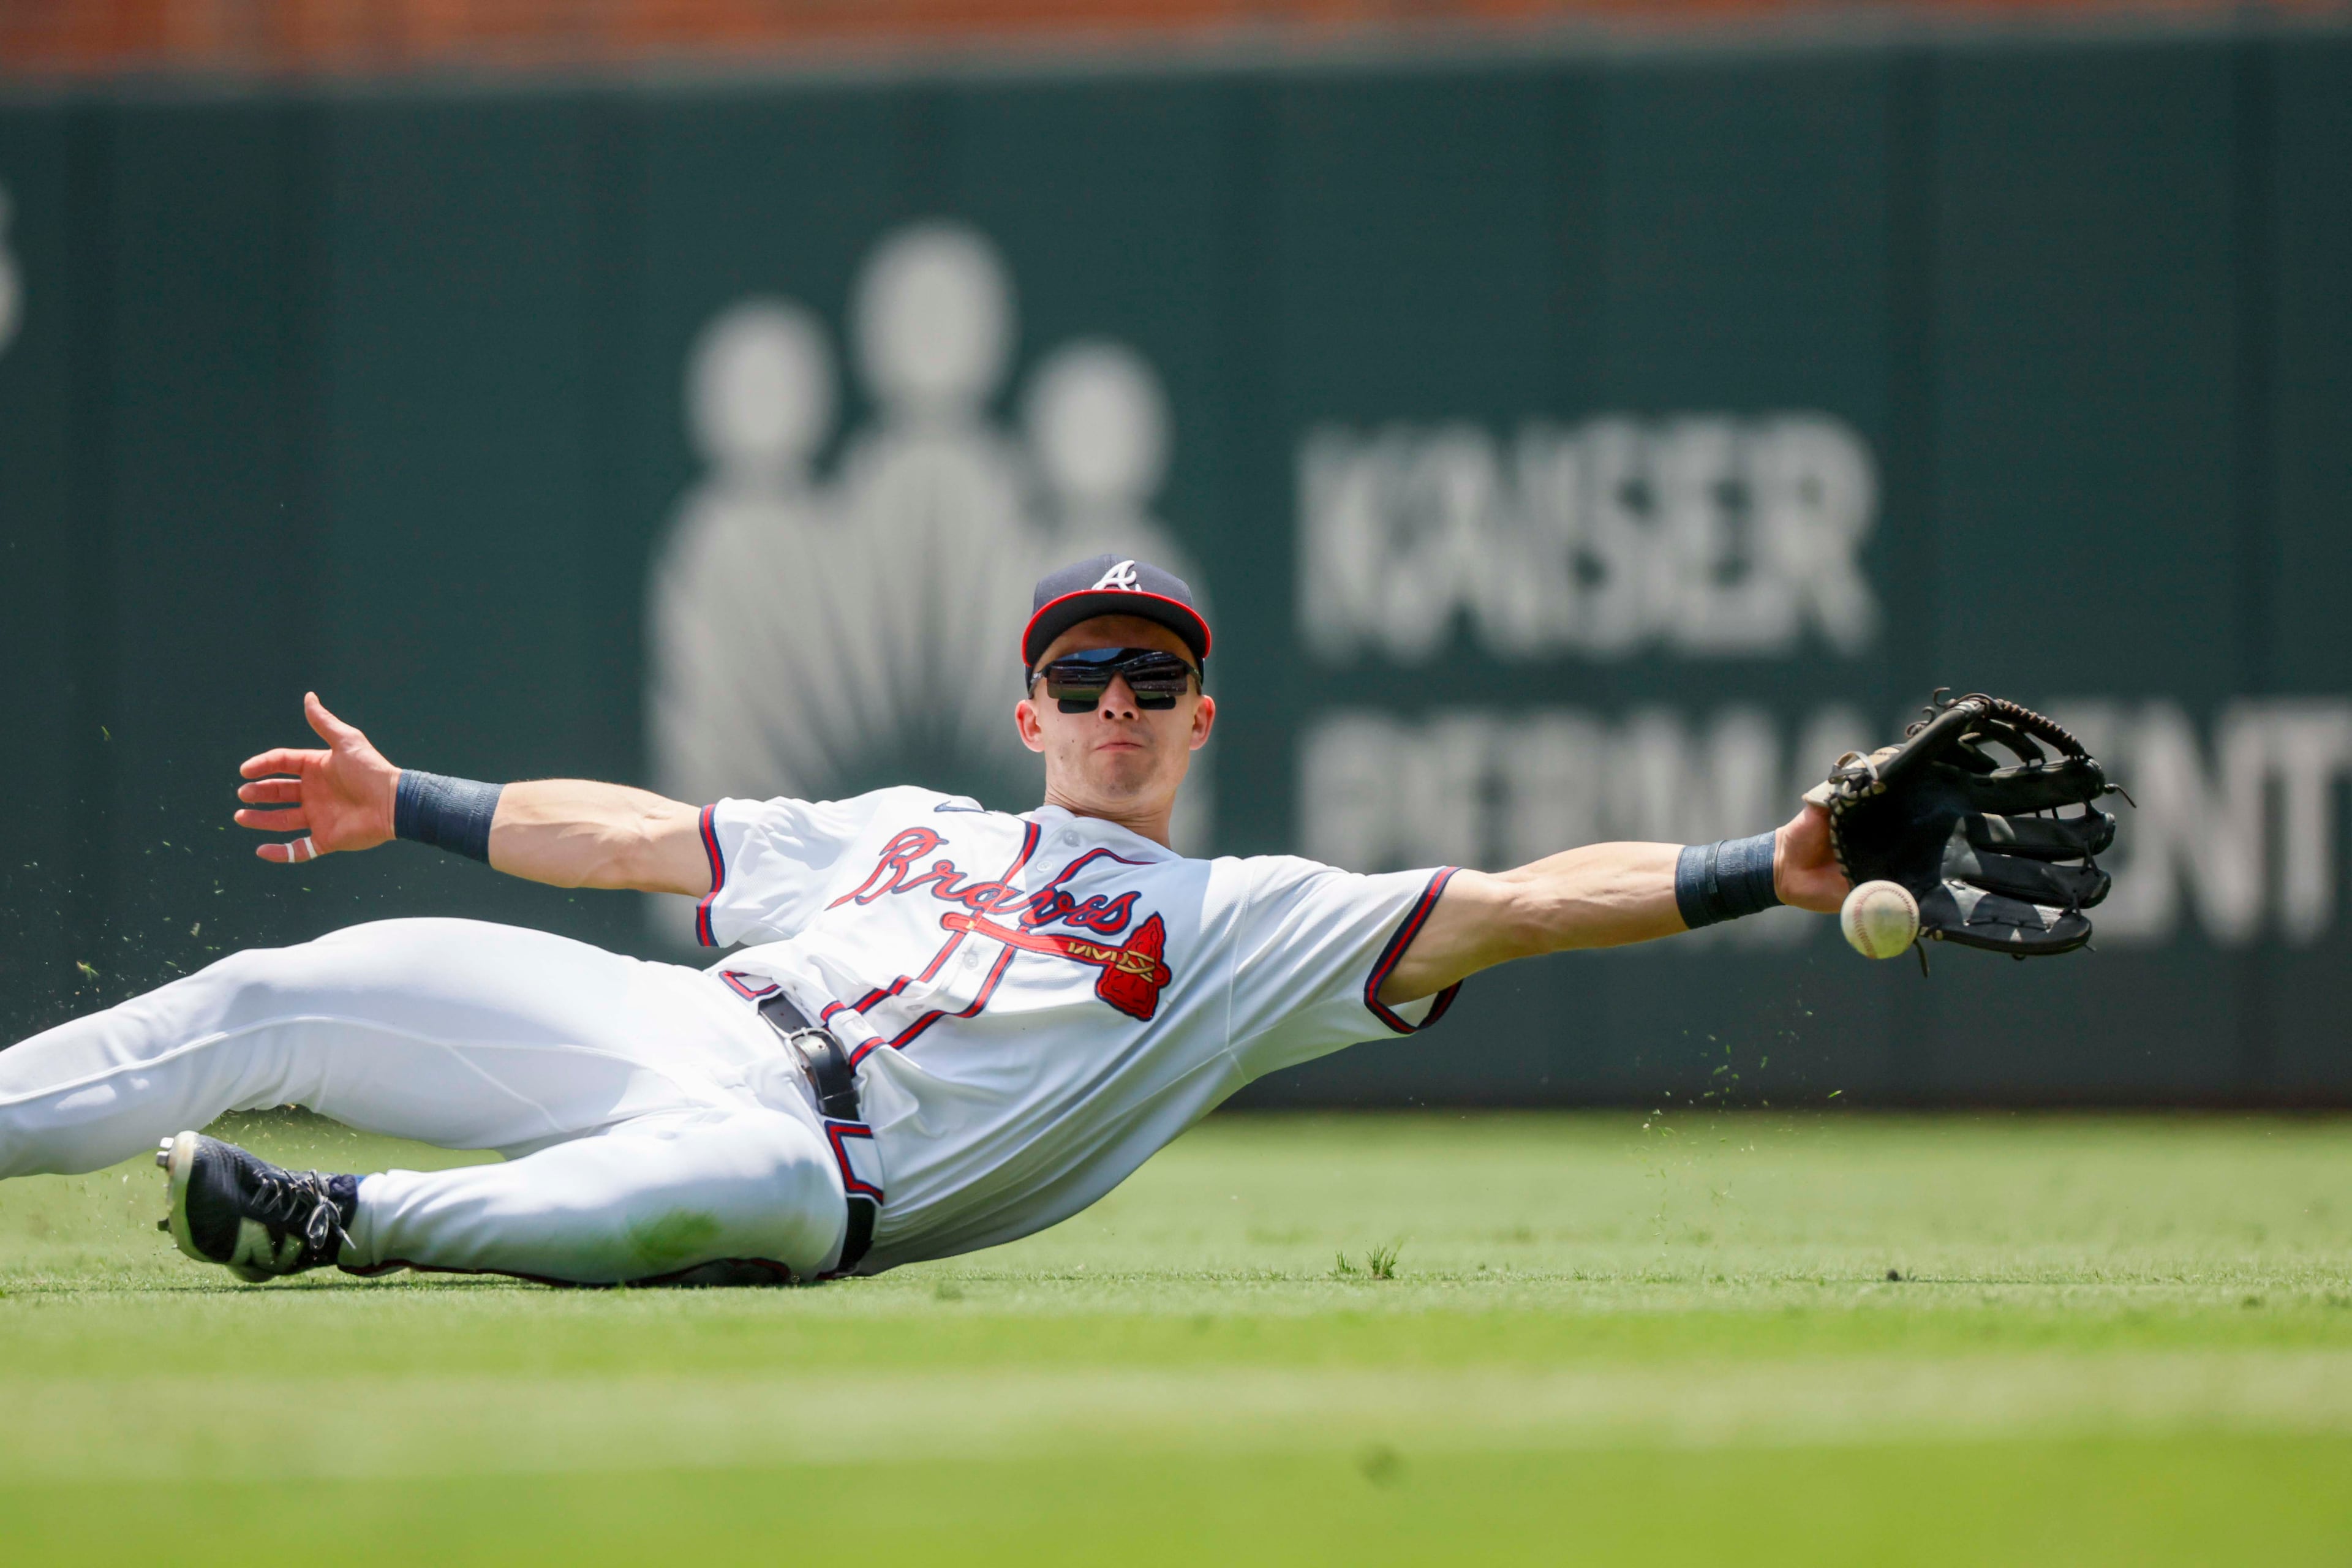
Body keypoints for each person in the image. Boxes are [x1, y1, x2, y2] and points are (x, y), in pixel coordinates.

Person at [0, 554, 1849, 1286]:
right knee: (283, 985)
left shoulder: (1245, 925)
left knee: (722, 1187)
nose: (1116, 703)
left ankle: (333, 1224)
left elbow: (1526, 904)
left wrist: (1762, 867)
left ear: (1202, 722)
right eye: (1082, 674)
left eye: (1153, 678)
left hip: (825, 1161)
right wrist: (410, 804)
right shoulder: (894, 824)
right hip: (694, 1025)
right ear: (1027, 711)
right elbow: (640, 839)